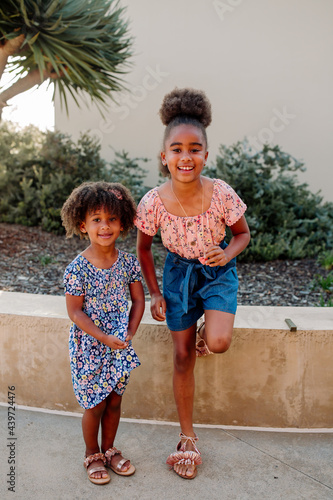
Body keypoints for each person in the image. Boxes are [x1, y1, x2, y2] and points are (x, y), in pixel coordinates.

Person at [135, 88, 250, 480]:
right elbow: (144, 250)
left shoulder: (221, 194)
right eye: (177, 149)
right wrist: (153, 292)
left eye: (195, 149)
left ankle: (206, 334)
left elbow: (242, 235)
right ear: (163, 156)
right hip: (177, 277)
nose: (186, 157)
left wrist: (228, 254)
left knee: (218, 343)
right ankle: (187, 437)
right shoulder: (152, 202)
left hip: (217, 272)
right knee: (182, 357)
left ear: (206, 154)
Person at [62, 181, 145, 485]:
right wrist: (103, 337)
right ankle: (92, 453)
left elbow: (138, 300)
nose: (105, 226)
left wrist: (129, 331)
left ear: (122, 223)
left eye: (111, 219)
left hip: (119, 345)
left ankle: (110, 450)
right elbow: (75, 312)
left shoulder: (128, 264)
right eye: (96, 220)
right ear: (82, 225)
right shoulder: (77, 269)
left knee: (114, 401)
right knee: (94, 403)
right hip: (89, 346)